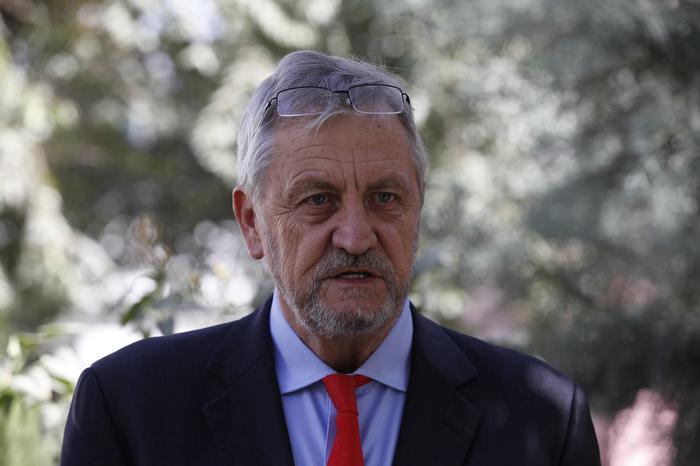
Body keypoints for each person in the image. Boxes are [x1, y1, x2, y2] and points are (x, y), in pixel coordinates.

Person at [61, 50, 601, 466]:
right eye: (318, 200)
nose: (356, 236)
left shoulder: (544, 418)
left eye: (384, 198)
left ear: (417, 212)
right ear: (252, 223)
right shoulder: (130, 407)